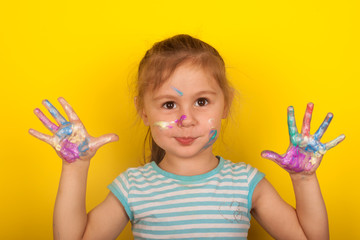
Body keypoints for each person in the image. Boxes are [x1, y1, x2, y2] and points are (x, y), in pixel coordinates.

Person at [29, 34, 345, 240]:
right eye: (169, 104)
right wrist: (75, 167)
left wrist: (304, 180)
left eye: (202, 102)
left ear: (226, 105)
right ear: (144, 111)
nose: (186, 119)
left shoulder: (246, 183)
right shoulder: (133, 187)